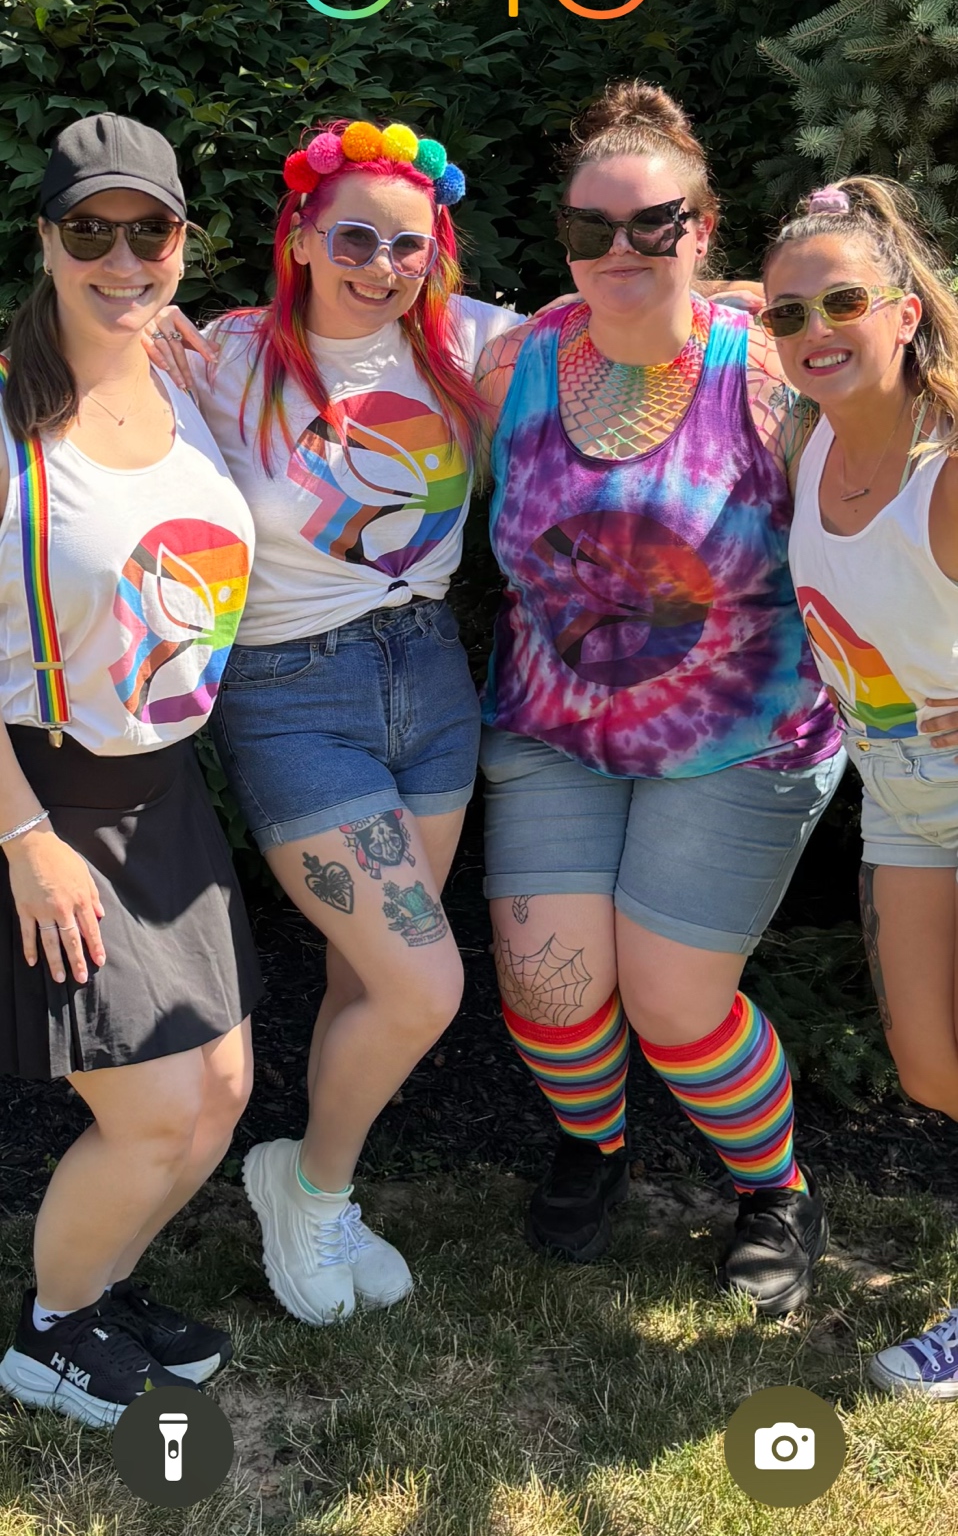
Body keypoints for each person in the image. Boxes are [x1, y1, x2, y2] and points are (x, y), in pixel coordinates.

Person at [474, 81, 846, 1315]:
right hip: (554, 727)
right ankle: (597, 1146)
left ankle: (774, 1188)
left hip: (741, 737)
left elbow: (893, 480)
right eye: (592, 227)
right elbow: (357, 358)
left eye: (653, 223)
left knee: (676, 1003)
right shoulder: (516, 366)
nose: (620, 248)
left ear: (702, 228)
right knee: (550, 986)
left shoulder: (771, 371)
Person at [147, 118, 523, 1325]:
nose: (382, 264)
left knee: (370, 972)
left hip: (431, 677)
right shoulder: (224, 355)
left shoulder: (465, 342)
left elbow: (627, 325)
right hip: (291, 693)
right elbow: (75, 388)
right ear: (301, 237)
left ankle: (325, 1190)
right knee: (421, 983)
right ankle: (304, 1184)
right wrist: (122, 325)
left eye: (409, 245)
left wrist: (744, 302)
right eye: (354, 237)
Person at [0, 113, 259, 1427]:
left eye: (146, 230)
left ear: (181, 241)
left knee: (218, 1092)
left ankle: (97, 1290)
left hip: (166, 791)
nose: (120, 258)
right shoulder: (7, 417)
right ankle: (48, 1336)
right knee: (154, 1109)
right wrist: (22, 840)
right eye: (88, 231)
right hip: (50, 805)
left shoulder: (185, 381)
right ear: (46, 241)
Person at [761, 175, 958, 1388]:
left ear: (904, 312)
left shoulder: (945, 473)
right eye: (788, 313)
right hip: (901, 799)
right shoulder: (810, 434)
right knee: (929, 1062)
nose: (813, 329)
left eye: (842, 302)